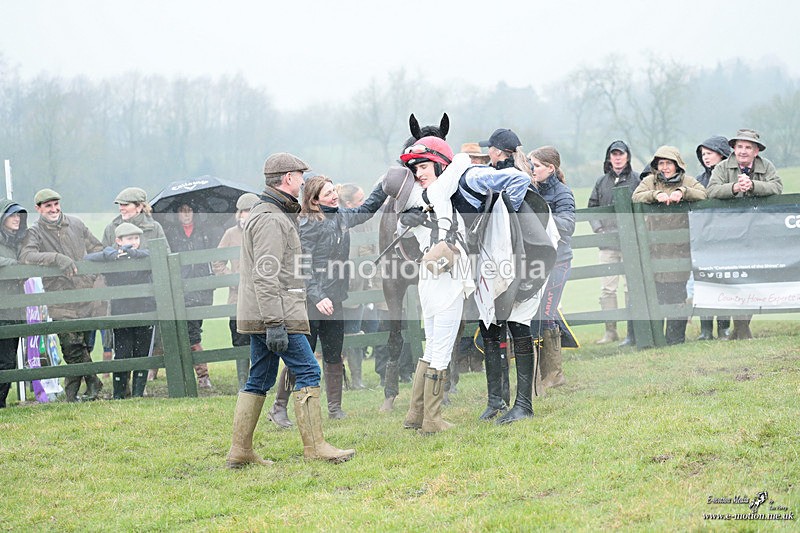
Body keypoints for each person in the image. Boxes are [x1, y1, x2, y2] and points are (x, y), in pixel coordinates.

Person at [226, 152, 354, 468]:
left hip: (268, 313)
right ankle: (316, 446)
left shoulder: (271, 212)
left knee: (259, 377)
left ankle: (240, 451)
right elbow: (265, 275)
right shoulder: (271, 218)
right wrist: (274, 324)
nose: (303, 182)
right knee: (309, 370)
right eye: (300, 177)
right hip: (277, 314)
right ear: (288, 179)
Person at [454, 127, 553, 424]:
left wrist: (507, 209)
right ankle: (496, 400)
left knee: (518, 327)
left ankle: (523, 404)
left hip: (525, 264)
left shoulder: (510, 180)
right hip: (502, 263)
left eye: (490, 150)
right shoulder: (497, 178)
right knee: (491, 327)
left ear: (496, 152)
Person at [269, 175, 387, 421]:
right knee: (302, 356)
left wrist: (385, 185)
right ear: (314, 200)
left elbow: (366, 209)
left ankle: (335, 409)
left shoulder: (342, 216)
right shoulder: (307, 224)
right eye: (327, 194)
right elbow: (303, 267)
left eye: (334, 191)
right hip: (310, 302)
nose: (334, 196)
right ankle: (279, 407)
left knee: (334, 354)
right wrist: (318, 296)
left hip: (335, 298)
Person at [390, 136, 474, 433]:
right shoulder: (438, 189)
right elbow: (463, 160)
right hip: (445, 277)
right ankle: (433, 419)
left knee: (432, 347)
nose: (420, 173)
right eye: (417, 169)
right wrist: (447, 161)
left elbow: (402, 226)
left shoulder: (411, 201)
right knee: (441, 347)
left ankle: (415, 414)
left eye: (424, 166)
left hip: (430, 276)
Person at [19, 189, 105, 402]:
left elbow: (97, 248)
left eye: (56, 204)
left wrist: (90, 274)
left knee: (82, 345)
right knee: (70, 345)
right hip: (59, 297)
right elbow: (27, 255)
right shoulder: (35, 232)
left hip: (85, 293)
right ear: (38, 209)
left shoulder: (75, 224)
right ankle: (90, 382)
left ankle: (74, 392)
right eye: (48, 206)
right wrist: (57, 258)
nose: (54, 209)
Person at [706, 128, 783, 340]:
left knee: (753, 278)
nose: (743, 151)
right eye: (739, 146)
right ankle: (741, 327)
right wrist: (734, 188)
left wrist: (753, 185)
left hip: (758, 231)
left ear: (756, 151)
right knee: (736, 278)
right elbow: (711, 190)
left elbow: (777, 187)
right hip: (730, 232)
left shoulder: (767, 166)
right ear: (733, 148)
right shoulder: (722, 167)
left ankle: (741, 327)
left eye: (748, 147)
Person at [632, 146, 707, 345]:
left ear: (677, 165)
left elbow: (703, 194)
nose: (664, 167)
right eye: (661, 163)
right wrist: (655, 195)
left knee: (677, 293)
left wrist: (682, 192)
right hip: (654, 249)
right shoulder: (650, 181)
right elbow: (636, 196)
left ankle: (676, 339)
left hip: (679, 249)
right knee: (656, 295)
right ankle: (657, 339)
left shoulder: (687, 181)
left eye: (669, 163)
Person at [85, 222, 154, 399]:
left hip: (145, 311)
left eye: (136, 238)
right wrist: (109, 253)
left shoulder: (143, 256)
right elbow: (88, 259)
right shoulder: (113, 259)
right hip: (121, 312)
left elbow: (157, 255)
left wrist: (135, 254)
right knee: (122, 353)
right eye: (129, 239)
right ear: (118, 240)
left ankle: (138, 393)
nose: (134, 242)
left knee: (142, 353)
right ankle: (119, 394)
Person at [528, 146, 575, 389]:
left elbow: (567, 225)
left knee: (547, 313)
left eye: (536, 165)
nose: (532, 169)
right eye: (530, 164)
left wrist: (539, 216)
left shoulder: (563, 193)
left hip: (559, 261)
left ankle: (555, 374)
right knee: (534, 314)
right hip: (536, 261)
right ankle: (538, 373)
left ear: (550, 168)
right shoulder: (531, 189)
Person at [587, 141, 641, 346]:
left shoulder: (637, 180)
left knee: (630, 287)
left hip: (630, 243)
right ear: (609, 157)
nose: (617, 158)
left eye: (621, 154)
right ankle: (610, 331)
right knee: (607, 289)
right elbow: (592, 207)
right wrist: (599, 230)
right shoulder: (601, 182)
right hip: (607, 244)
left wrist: (634, 232)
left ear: (627, 156)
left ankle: (631, 330)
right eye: (614, 154)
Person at [163, 202, 219, 389]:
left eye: (189, 210)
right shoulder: (171, 234)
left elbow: (213, 256)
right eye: (182, 211)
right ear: (177, 214)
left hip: (202, 289)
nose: (186, 214)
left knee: (193, 329)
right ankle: (201, 374)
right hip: (180, 288)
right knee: (188, 332)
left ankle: (195, 373)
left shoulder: (205, 233)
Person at [212, 192, 260, 389]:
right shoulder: (231, 234)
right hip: (237, 297)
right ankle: (243, 382)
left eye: (251, 210)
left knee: (262, 338)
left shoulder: (266, 231)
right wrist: (233, 279)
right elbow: (217, 261)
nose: (246, 214)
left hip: (262, 296)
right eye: (244, 211)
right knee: (240, 339)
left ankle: (259, 379)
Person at [693, 137, 732, 340]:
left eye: (709, 153)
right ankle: (706, 329)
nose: (706, 157)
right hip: (704, 238)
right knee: (705, 281)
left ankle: (724, 327)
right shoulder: (699, 180)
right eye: (703, 154)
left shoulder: (730, 177)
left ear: (721, 153)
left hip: (727, 237)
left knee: (725, 281)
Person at [0, 199, 27, 408]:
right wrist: (14, 265)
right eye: (12, 215)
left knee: (8, 359)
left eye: (19, 215)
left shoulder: (20, 242)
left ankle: (1, 401)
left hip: (15, 309)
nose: (16, 219)